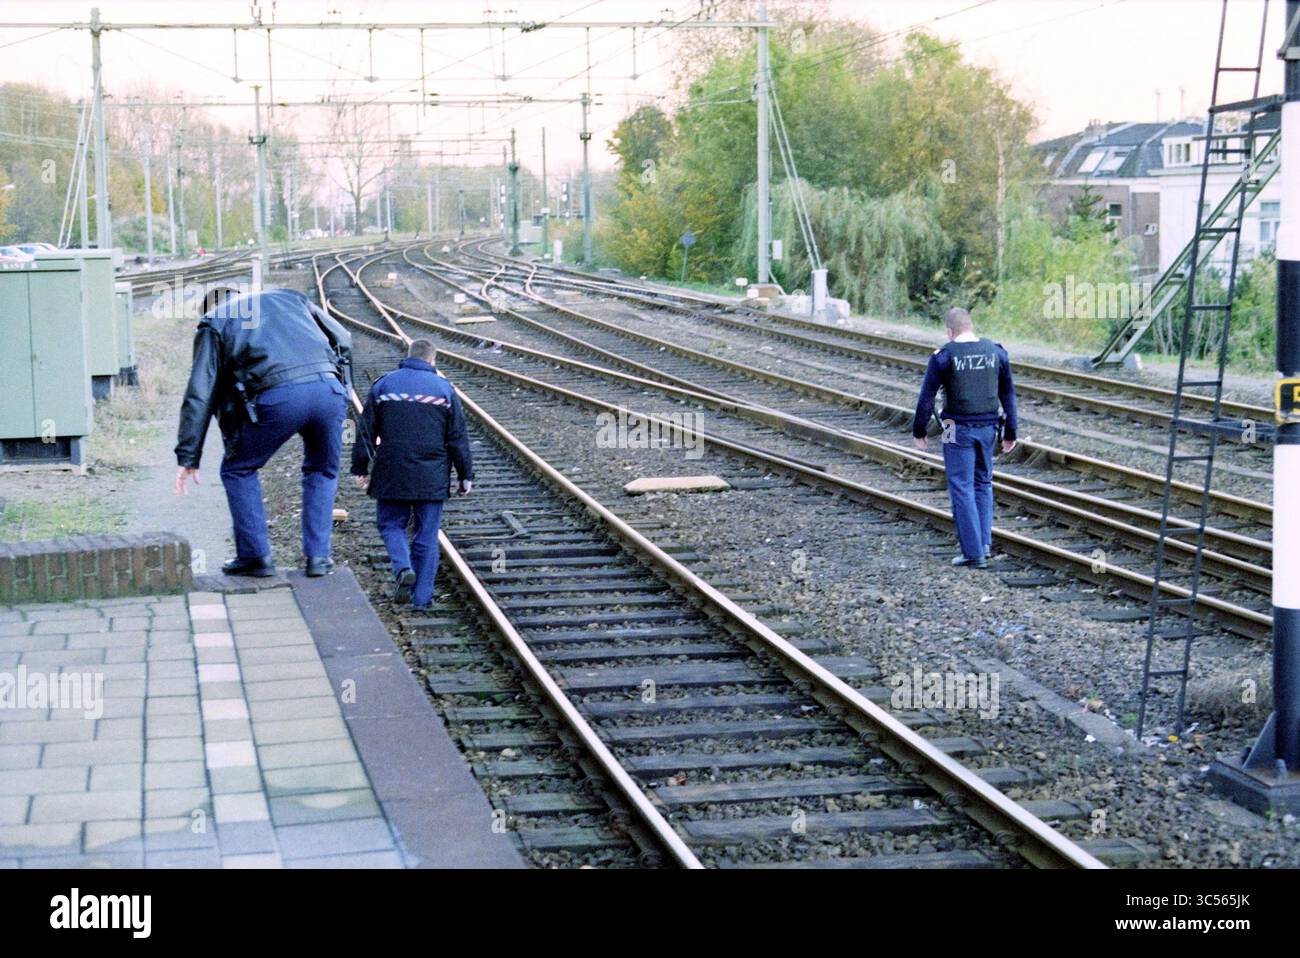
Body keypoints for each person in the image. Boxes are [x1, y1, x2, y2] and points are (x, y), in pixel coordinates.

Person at [174, 285, 352, 578]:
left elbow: (200, 391)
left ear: (208, 308)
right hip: (328, 391)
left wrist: (188, 455)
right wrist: (343, 387)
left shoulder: (214, 321)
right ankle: (319, 558)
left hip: (280, 398)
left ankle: (255, 557)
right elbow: (343, 338)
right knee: (322, 470)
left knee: (238, 469)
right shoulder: (290, 297)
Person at [351, 338, 474, 609]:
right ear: (432, 360)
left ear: (409, 356)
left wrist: (360, 467)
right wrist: (465, 475)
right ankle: (421, 599)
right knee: (426, 536)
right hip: (432, 475)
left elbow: (366, 431)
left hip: (391, 471)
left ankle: (403, 567)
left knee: (390, 524)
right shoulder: (444, 390)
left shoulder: (383, 386)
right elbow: (457, 437)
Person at [911, 307, 1018, 569]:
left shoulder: (943, 357)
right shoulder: (996, 352)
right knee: (983, 483)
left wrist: (919, 430)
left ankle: (972, 553)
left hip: (953, 427)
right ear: (970, 326)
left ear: (950, 331)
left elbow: (926, 398)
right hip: (989, 427)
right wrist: (1010, 432)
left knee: (960, 485)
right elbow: (1008, 394)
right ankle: (984, 545)